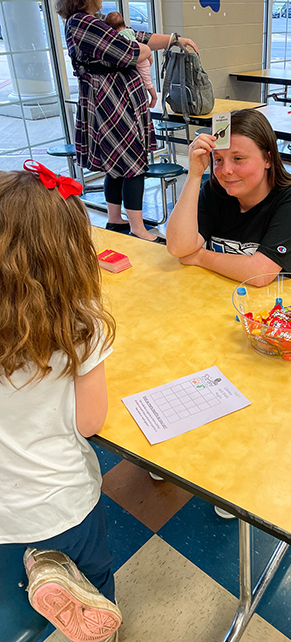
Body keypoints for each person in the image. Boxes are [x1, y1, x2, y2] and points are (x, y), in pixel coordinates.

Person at [0, 161, 120, 642]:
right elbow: (90, 421)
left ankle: (33, 585)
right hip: (63, 500)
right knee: (96, 576)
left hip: (6, 510)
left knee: (13, 590)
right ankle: (93, 614)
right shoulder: (82, 325)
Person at [55, 0, 198, 242]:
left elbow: (137, 37)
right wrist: (140, 51)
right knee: (134, 165)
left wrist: (173, 40)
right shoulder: (83, 24)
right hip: (113, 105)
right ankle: (138, 228)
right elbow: (131, 51)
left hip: (115, 103)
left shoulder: (90, 22)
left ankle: (115, 218)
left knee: (118, 167)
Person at [166, 109, 291, 287]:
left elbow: (260, 273)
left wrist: (198, 256)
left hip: (277, 306)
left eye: (238, 158)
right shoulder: (216, 192)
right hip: (220, 298)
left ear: (267, 159)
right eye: (219, 159)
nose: (226, 170)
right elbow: (178, 247)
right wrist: (194, 175)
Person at [105, 11, 158, 109]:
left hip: (139, 60)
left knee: (147, 81)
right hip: (143, 56)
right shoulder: (130, 31)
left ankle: (154, 97)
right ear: (125, 24)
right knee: (145, 79)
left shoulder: (119, 37)